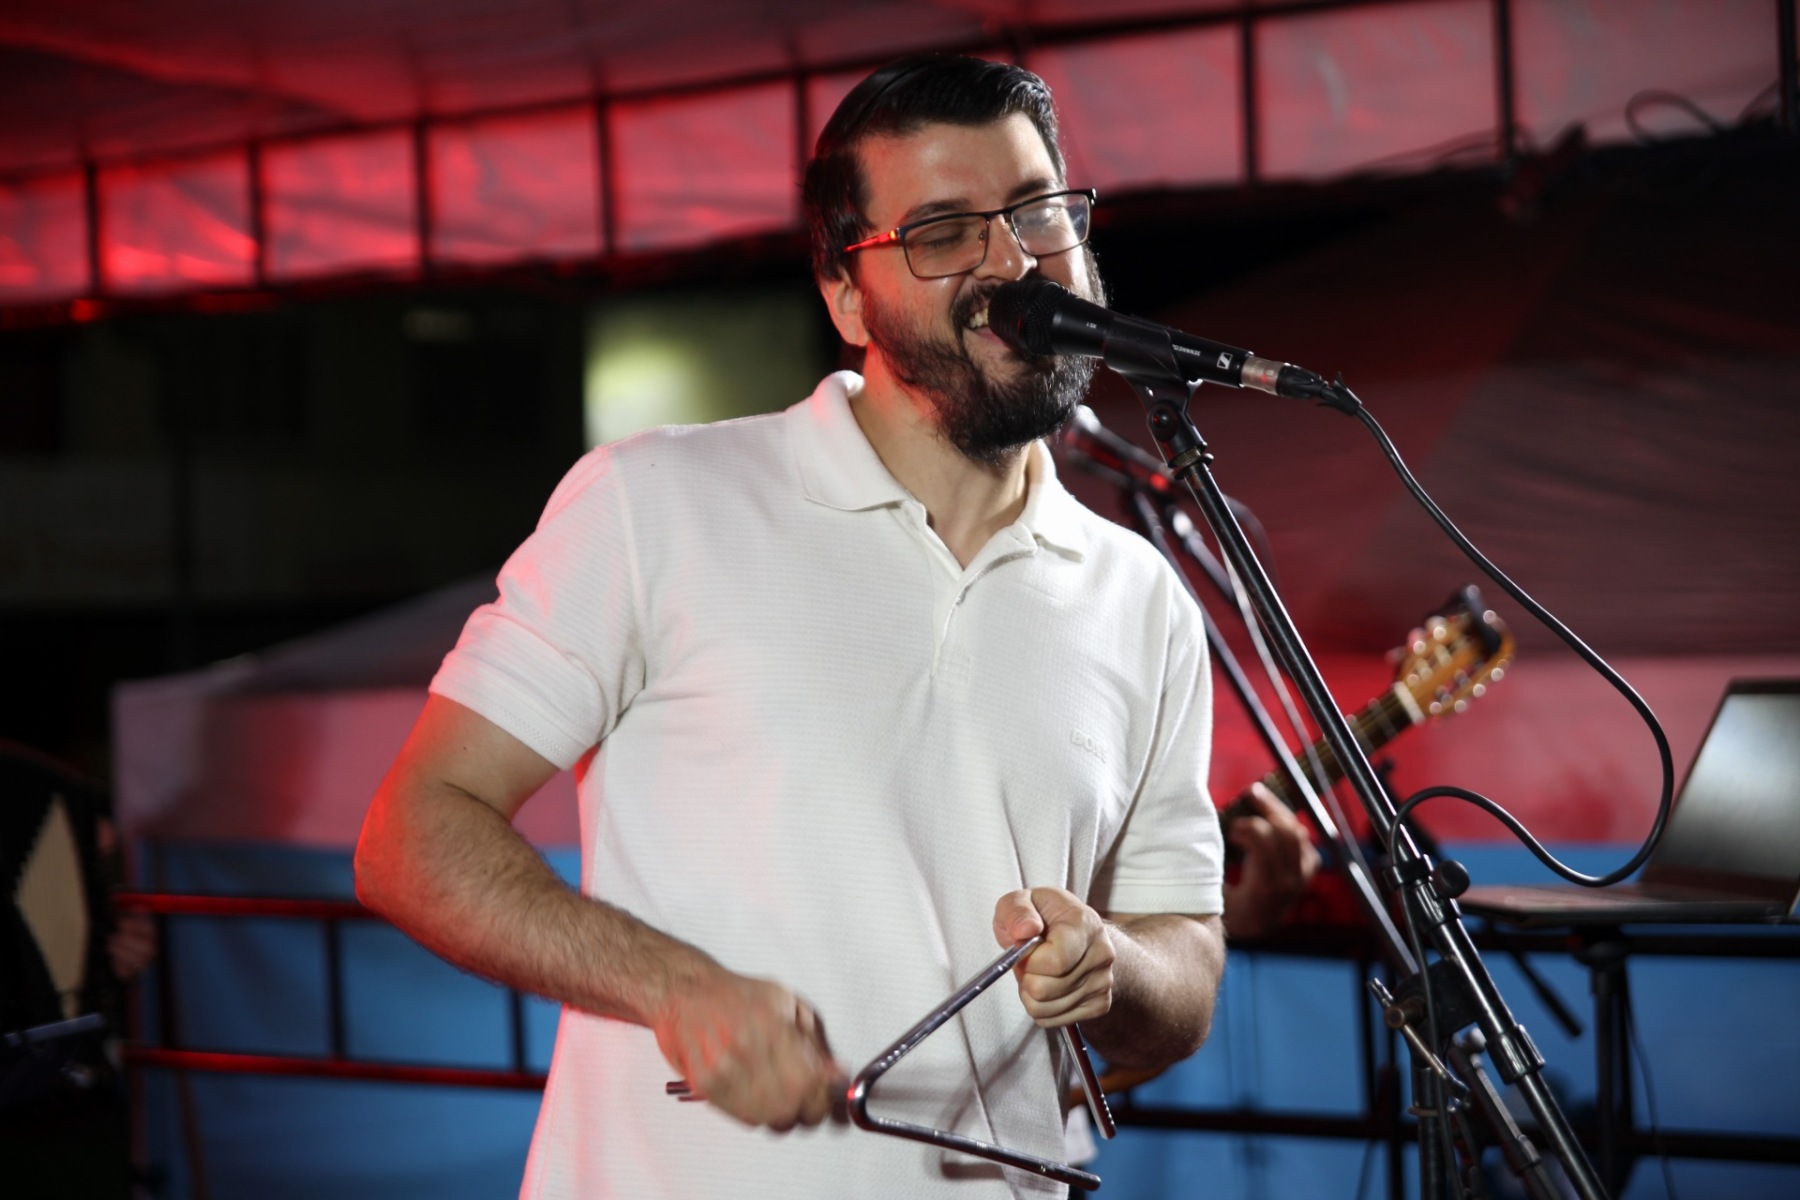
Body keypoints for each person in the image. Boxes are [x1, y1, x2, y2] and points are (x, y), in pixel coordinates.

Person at [356, 54, 1228, 1199]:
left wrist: (1113, 966)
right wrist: (674, 986)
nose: (1012, 263)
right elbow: (413, 834)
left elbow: (1185, 966)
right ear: (845, 294)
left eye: (1036, 211)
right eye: (944, 232)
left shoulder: (1143, 597)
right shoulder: (655, 504)